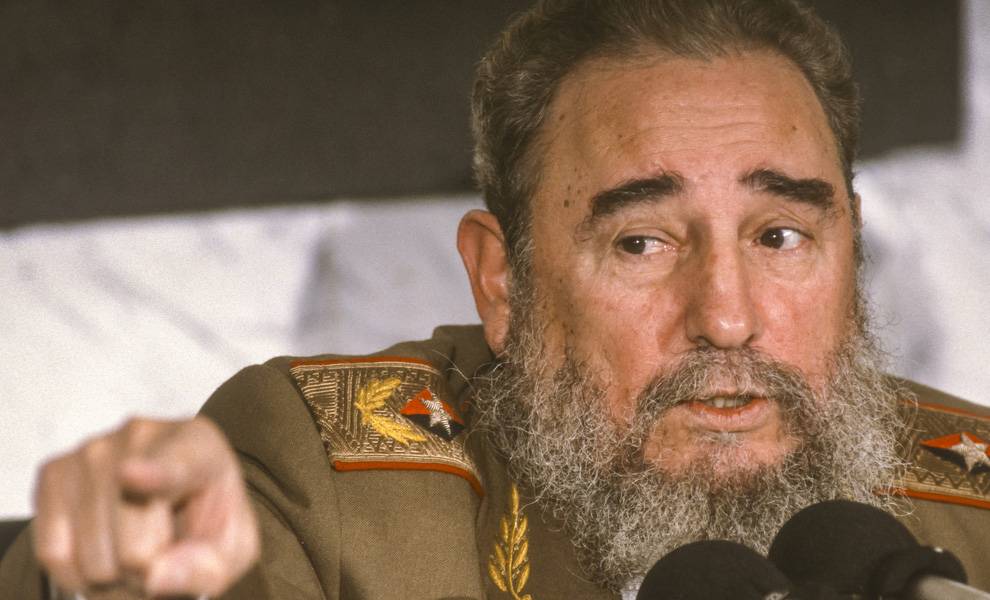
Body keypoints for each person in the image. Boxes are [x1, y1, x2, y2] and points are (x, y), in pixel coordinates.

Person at [3, 0, 990, 598]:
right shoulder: (327, 484)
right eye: (641, 242)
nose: (727, 317)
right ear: (503, 283)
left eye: (781, 237)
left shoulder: (974, 504)